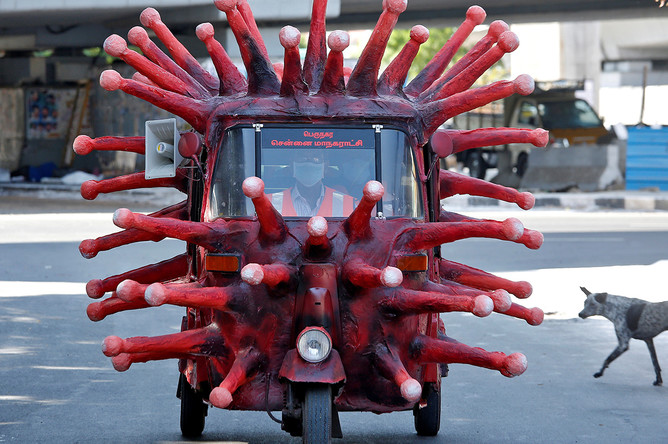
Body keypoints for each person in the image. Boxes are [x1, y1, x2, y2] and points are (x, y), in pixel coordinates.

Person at [270, 150, 354, 217]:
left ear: (325, 166)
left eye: (316, 158)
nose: (309, 163)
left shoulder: (348, 204)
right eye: (302, 158)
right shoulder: (270, 203)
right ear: (292, 165)